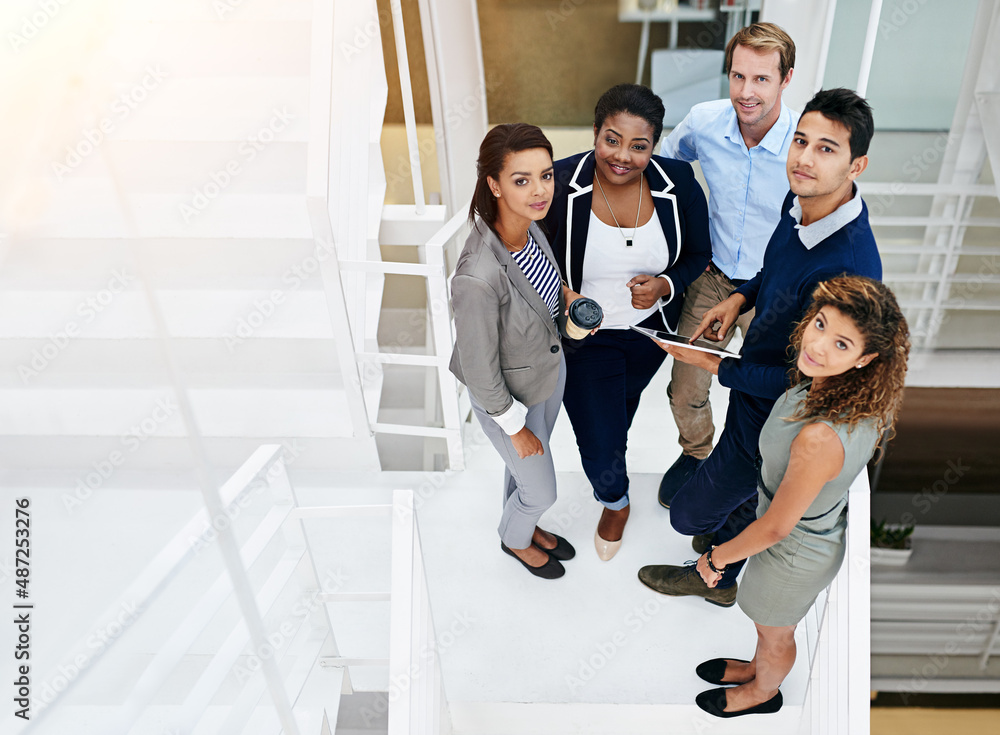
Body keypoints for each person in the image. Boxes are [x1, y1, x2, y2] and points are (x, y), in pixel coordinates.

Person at [638, 87, 882, 604]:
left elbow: (814, 379)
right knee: (730, 497)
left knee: (686, 514)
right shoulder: (800, 200)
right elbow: (774, 268)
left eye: (826, 149)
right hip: (753, 383)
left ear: (856, 165)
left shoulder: (850, 268)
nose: (805, 159)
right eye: (801, 141)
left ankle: (717, 574)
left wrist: (715, 367)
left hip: (782, 410)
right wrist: (741, 298)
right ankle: (720, 567)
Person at [690, 275, 910, 717]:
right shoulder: (843, 391)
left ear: (867, 358)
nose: (819, 344)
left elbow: (775, 527)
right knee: (768, 627)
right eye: (821, 324)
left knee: (776, 634)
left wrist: (716, 558)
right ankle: (756, 666)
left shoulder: (819, 438)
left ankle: (762, 692)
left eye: (843, 344)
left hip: (792, 552)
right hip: (799, 535)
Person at [544, 84, 711, 560]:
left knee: (620, 411)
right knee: (599, 441)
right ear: (595, 132)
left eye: (639, 146)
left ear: (654, 145)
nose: (622, 157)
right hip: (585, 338)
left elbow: (700, 252)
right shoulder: (559, 183)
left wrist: (666, 285)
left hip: (648, 336)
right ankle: (614, 500)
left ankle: (612, 471)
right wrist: (561, 291)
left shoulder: (677, 182)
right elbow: (525, 250)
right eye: (611, 140)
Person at [658, 22, 798, 506]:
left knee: (765, 395)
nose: (746, 92)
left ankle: (750, 475)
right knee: (685, 386)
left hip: (773, 290)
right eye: (738, 76)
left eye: (761, 79)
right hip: (713, 277)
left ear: (786, 79)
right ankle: (696, 454)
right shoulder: (703, 121)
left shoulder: (802, 146)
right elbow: (665, 169)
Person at [450, 123, 582, 579]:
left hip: (544, 374)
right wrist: (515, 428)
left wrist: (570, 300)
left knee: (525, 472)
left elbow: (547, 284)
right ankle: (514, 538)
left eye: (545, 175)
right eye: (521, 180)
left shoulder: (530, 228)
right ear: (494, 185)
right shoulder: (476, 276)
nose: (540, 190)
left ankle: (526, 522)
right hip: (506, 398)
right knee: (541, 489)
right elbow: (479, 370)